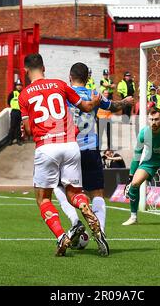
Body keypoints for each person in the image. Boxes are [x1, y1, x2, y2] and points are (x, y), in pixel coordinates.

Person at [18, 53, 109, 257]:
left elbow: (29, 131)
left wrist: (26, 129)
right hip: (70, 145)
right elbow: (86, 107)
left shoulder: (24, 95)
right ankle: (85, 208)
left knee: (43, 198)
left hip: (47, 147)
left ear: (26, 71)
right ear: (44, 68)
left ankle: (61, 236)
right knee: (74, 192)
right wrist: (95, 101)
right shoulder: (59, 84)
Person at [53, 62, 133, 246]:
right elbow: (113, 106)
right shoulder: (94, 94)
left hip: (70, 150)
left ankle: (75, 222)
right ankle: (101, 232)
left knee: (60, 187)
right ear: (88, 78)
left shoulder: (64, 95)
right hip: (90, 149)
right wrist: (126, 102)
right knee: (97, 193)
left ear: (70, 77)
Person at [7, 79, 24, 146]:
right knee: (12, 126)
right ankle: (10, 140)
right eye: (18, 85)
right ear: (16, 86)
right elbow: (8, 101)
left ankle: (18, 139)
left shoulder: (23, 93)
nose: (19, 87)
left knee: (18, 126)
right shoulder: (12, 93)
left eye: (20, 85)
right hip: (14, 111)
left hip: (21, 111)